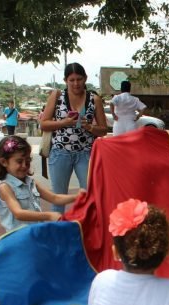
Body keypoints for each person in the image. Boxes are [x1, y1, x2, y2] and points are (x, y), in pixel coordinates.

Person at [40, 62, 107, 213]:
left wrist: (89, 127)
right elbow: (43, 124)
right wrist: (65, 122)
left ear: (85, 79)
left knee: (89, 196)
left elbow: (103, 130)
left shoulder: (94, 99)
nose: (76, 83)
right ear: (65, 81)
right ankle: (58, 233)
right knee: (58, 197)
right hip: (60, 152)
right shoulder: (57, 96)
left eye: (79, 79)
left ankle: (87, 231)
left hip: (86, 153)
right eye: (72, 80)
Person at [0, 136, 80, 231]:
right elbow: (18, 213)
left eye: (27, 161)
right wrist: (48, 215)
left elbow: (55, 198)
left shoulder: (31, 182)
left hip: (34, 233)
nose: (24, 166)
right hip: (18, 238)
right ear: (4, 162)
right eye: (19, 161)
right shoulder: (5, 187)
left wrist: (78, 197)